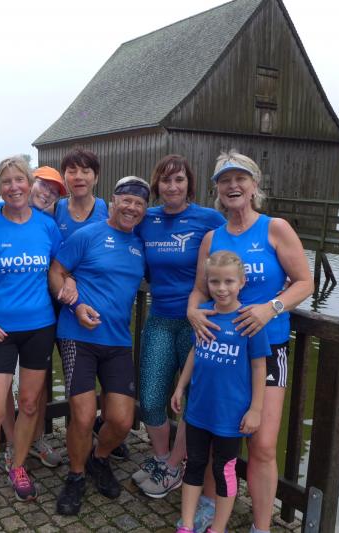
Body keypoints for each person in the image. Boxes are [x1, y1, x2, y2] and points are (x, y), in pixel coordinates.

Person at [186, 151, 314, 533]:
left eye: (240, 178)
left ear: (254, 185)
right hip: (220, 350)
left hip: (268, 348)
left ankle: (262, 526)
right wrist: (193, 312)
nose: (233, 186)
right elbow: (199, 290)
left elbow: (305, 283)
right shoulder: (213, 238)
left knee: (262, 444)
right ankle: (210, 507)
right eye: (225, 180)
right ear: (217, 190)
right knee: (214, 436)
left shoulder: (275, 228)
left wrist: (270, 308)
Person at [0, 156, 63, 517]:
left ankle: (18, 466)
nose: (14, 187)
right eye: (6, 182)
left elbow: (58, 270)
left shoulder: (47, 226)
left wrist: (72, 290)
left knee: (31, 405)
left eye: (19, 180)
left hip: (39, 326)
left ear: (29, 182)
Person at [48, 176, 150, 516]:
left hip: (118, 340)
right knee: (82, 415)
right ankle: (76, 475)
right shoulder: (87, 235)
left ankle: (99, 458)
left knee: (121, 419)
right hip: (77, 336)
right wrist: (75, 304)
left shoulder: (140, 246)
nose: (131, 208)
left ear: (144, 210)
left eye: (139, 204)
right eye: (126, 201)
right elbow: (56, 272)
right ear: (114, 201)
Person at [132, 155, 226, 499]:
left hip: (198, 323)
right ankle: (162, 459)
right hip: (159, 318)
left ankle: (174, 465)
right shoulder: (147, 219)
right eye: (166, 180)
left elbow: (238, 250)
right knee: (151, 396)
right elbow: (115, 231)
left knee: (193, 399)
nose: (172, 187)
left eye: (179, 180)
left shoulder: (208, 219)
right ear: (157, 185)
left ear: (189, 184)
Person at [172, 251, 268, 533]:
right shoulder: (204, 314)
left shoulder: (249, 321)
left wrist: (256, 409)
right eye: (214, 281)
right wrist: (180, 386)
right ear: (207, 282)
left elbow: (259, 367)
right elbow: (195, 351)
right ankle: (186, 524)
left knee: (224, 470)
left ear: (242, 282)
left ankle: (217, 527)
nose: (222, 288)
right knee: (194, 464)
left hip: (231, 414)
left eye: (229, 281)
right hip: (199, 409)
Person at [54, 148, 108, 242]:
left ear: (96, 178)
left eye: (85, 171)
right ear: (63, 178)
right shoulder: (54, 210)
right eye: (72, 172)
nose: (78, 177)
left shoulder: (109, 211)